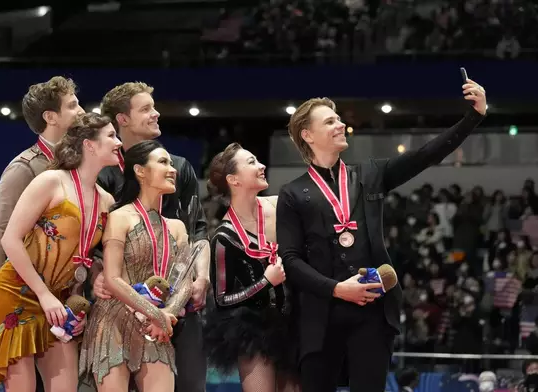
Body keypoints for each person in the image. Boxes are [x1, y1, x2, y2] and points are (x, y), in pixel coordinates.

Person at [276, 78, 487, 392]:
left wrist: (474, 116)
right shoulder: (292, 193)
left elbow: (425, 155)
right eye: (330, 120)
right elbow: (290, 261)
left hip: (373, 313)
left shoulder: (370, 175)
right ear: (307, 135)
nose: (340, 124)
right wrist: (337, 289)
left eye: (339, 119)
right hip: (320, 315)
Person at [0, 113, 121, 392]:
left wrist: (76, 303)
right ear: (89, 144)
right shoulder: (51, 180)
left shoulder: (107, 200)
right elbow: (10, 239)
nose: (118, 142)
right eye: (111, 135)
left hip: (60, 301)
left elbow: (82, 259)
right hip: (18, 291)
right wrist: (43, 294)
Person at [91, 82, 210, 392]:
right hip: (121, 304)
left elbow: (197, 230)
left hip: (175, 302)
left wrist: (201, 277)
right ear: (122, 119)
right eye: (145, 108)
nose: (156, 113)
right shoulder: (103, 173)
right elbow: (89, 241)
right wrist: (96, 274)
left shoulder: (181, 168)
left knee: (189, 384)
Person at [80, 140, 193, 392]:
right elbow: (112, 279)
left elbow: (185, 280)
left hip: (157, 325)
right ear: (140, 171)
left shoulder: (178, 227)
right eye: (163, 162)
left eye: (172, 163)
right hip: (114, 320)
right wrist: (157, 315)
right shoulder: (119, 217)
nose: (173, 169)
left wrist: (166, 316)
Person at [0, 76, 85, 326]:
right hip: (25, 291)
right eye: (72, 105)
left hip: (64, 291)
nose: (82, 111)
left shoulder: (80, 166)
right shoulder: (24, 168)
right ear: (51, 117)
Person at [203, 143, 299, 392]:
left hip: (294, 320)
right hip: (254, 329)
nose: (262, 165)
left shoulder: (280, 206)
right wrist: (265, 282)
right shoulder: (224, 236)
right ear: (233, 179)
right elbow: (222, 299)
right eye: (252, 162)